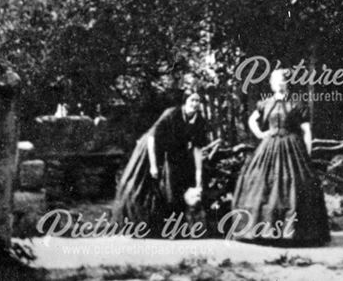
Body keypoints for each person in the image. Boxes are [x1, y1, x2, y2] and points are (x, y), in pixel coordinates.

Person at [230, 68, 330, 245]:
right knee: (259, 183)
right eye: (275, 80)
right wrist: (261, 134)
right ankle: (260, 231)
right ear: (271, 83)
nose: (278, 83)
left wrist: (307, 153)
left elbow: (307, 131)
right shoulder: (265, 103)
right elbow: (252, 120)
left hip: (292, 147)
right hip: (268, 146)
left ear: (287, 83)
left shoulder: (297, 104)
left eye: (282, 80)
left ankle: (295, 234)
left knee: (294, 185)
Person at [112, 89, 207, 237]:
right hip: (150, 149)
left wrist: (198, 174)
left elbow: (197, 149)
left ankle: (169, 227)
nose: (194, 104)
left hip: (173, 151)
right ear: (185, 101)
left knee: (172, 187)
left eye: (197, 101)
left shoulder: (199, 120)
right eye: (191, 100)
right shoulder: (171, 114)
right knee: (145, 185)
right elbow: (152, 138)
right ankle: (137, 226)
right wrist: (154, 165)